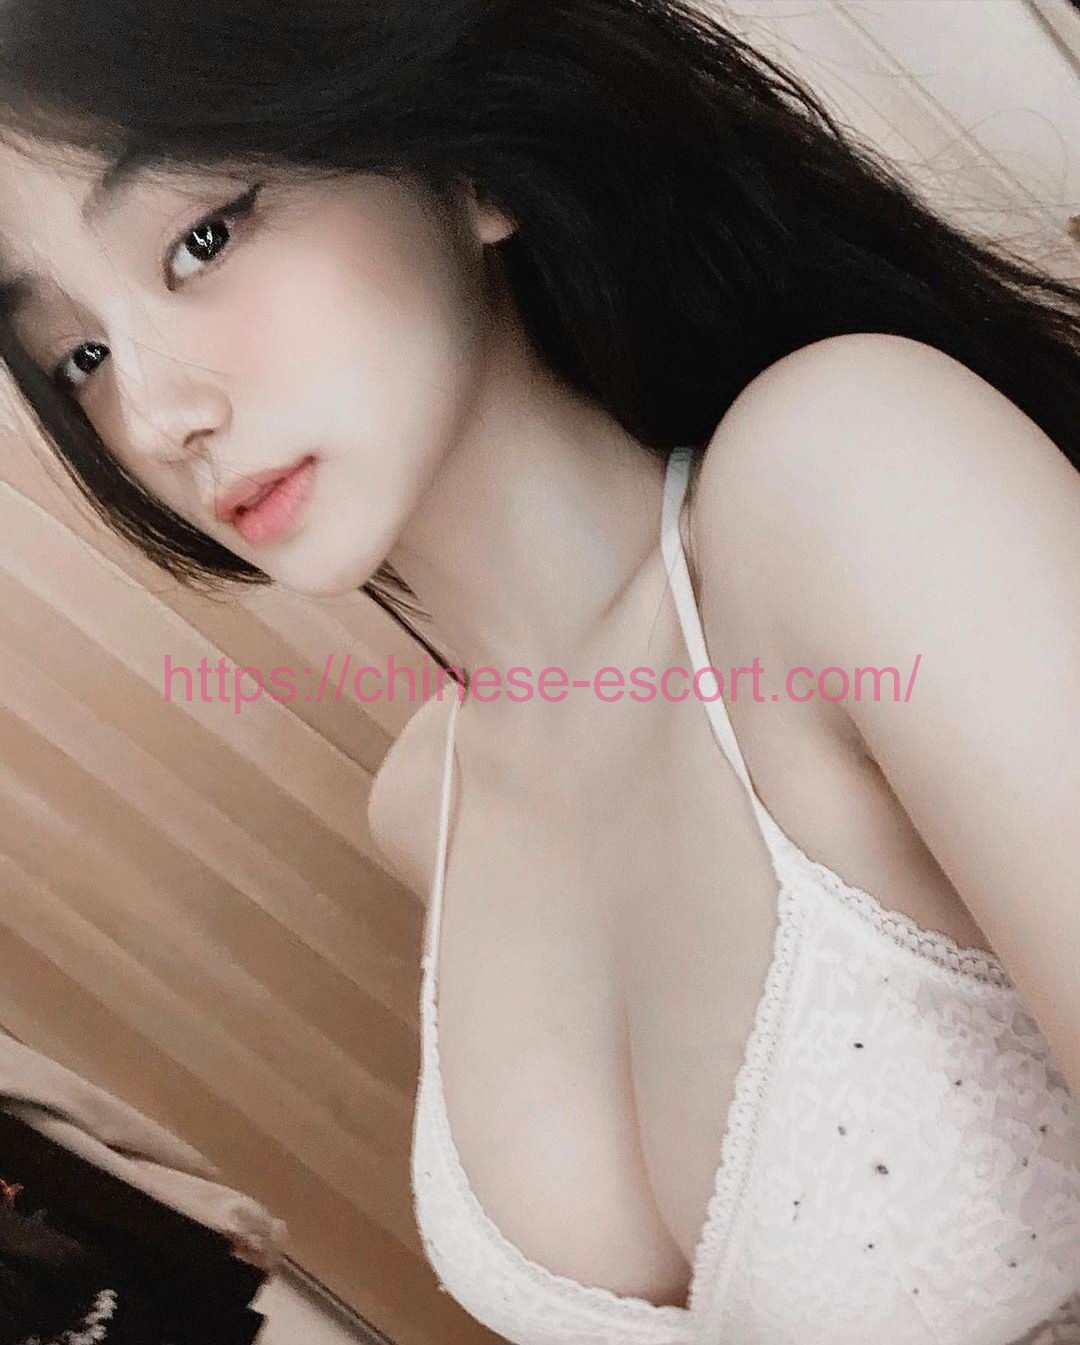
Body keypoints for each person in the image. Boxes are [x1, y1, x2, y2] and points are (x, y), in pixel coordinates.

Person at [0, 2, 1077, 1342]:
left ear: (468, 171)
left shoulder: (845, 477)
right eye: (81, 356)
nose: (160, 417)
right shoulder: (425, 805)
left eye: (202, 239)